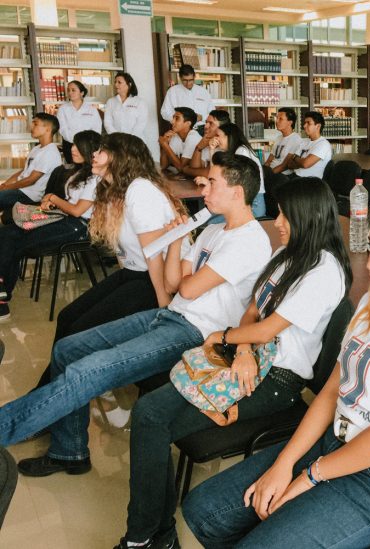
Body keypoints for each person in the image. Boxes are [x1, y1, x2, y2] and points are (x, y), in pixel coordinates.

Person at [182, 193, 370, 548]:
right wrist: (285, 464)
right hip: (335, 444)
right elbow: (332, 391)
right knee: (203, 511)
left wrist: (307, 477)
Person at [114, 177, 350, 549]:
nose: (278, 222)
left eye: (286, 215)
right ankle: (152, 535)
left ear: (307, 217)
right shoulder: (287, 253)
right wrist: (239, 350)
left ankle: (145, 537)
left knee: (151, 415)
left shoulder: (324, 270)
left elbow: (270, 327)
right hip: (247, 359)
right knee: (150, 413)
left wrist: (222, 339)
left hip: (277, 380)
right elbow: (254, 309)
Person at [0, 153, 272, 469]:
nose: (204, 190)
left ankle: (6, 427)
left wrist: (181, 253)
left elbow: (188, 288)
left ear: (237, 193)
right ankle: (69, 451)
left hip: (195, 332)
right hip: (170, 316)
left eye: (212, 183)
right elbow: (173, 282)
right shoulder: (213, 231)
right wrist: (177, 239)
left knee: (86, 371)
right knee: (66, 349)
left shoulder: (250, 241)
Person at [30, 133, 186, 390]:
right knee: (67, 317)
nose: (94, 153)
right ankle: (49, 393)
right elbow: (125, 251)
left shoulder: (140, 190)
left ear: (120, 158)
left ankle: (47, 398)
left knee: (76, 332)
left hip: (154, 278)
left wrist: (163, 306)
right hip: (135, 273)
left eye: (102, 150)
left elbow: (155, 253)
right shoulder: (112, 190)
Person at [0, 130, 100, 321]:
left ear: (90, 149)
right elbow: (70, 202)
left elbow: (78, 211)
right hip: (64, 218)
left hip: (78, 227)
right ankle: (2, 291)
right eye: (72, 145)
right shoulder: (79, 172)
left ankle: (2, 298)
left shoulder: (94, 177)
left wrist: (53, 198)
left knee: (14, 241)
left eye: (78, 146)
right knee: (8, 234)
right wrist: (50, 202)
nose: (72, 149)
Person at [0, 113, 61, 220]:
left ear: (48, 129)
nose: (31, 127)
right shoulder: (37, 148)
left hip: (30, 195)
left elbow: (30, 180)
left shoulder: (50, 152)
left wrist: (7, 188)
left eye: (35, 124)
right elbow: (23, 172)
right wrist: (5, 184)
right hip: (21, 190)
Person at [199, 122, 266, 218]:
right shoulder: (230, 151)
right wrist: (212, 150)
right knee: (207, 217)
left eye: (218, 135)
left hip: (252, 205)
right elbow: (215, 174)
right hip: (238, 200)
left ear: (229, 137)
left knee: (210, 222)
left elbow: (234, 181)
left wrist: (208, 182)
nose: (215, 139)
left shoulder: (242, 151)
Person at [56, 80, 102, 163]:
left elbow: (97, 128)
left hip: (88, 146)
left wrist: (88, 142)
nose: (70, 93)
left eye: (73, 90)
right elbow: (63, 129)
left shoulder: (91, 109)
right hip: (70, 145)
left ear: (82, 93)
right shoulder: (63, 109)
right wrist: (76, 142)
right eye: (68, 90)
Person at [284, 111, 333, 179]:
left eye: (308, 123)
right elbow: (289, 164)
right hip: (295, 177)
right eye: (305, 123)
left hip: (309, 182)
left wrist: (295, 158)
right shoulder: (304, 142)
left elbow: (305, 164)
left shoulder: (323, 144)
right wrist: (301, 161)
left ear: (318, 126)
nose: (304, 126)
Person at [185, 109, 232, 178]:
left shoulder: (226, 146)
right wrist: (198, 148)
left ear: (222, 128)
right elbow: (195, 168)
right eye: (206, 122)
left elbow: (210, 173)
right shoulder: (207, 143)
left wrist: (186, 170)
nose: (205, 126)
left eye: (211, 123)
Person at [104, 71, 148, 142]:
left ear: (129, 84)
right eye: (115, 82)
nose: (116, 84)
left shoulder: (139, 102)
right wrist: (117, 138)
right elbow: (107, 123)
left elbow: (141, 123)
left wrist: (130, 139)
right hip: (117, 142)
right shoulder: (111, 102)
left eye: (119, 82)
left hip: (135, 142)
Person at [159, 106, 203, 174]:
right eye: (173, 118)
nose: (172, 121)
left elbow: (181, 168)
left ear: (188, 123)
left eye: (177, 118)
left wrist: (165, 145)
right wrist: (165, 143)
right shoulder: (175, 136)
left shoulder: (193, 137)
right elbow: (163, 166)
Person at [264, 107, 302, 175]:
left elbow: (285, 166)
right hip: (271, 173)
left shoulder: (296, 139)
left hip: (282, 176)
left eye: (280, 119)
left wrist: (268, 175)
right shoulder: (278, 138)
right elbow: (269, 161)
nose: (277, 121)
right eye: (277, 118)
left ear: (290, 122)